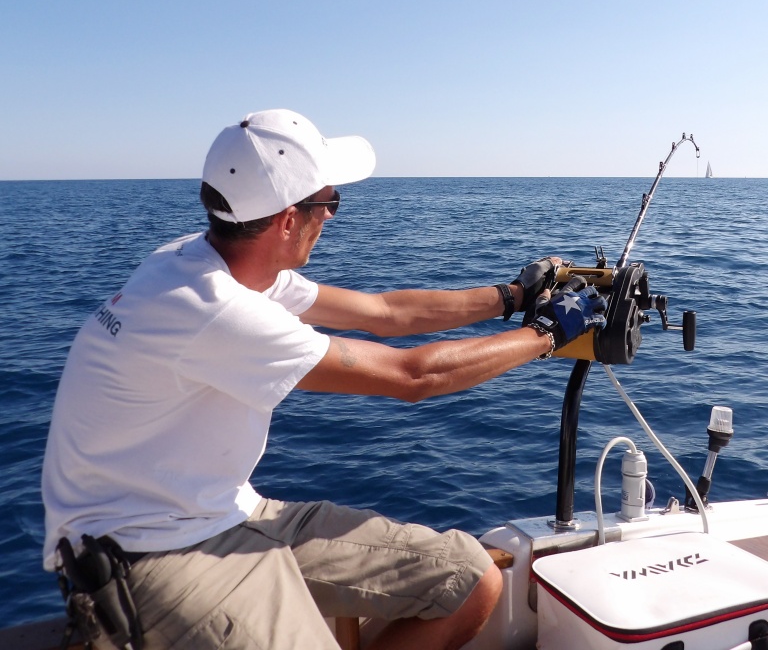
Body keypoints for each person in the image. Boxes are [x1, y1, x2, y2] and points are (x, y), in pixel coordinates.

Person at [42, 109, 607, 650]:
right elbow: (411, 376)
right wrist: (551, 333)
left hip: (225, 511)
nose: (333, 214)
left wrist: (513, 297)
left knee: (470, 581)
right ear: (289, 219)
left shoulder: (209, 260)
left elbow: (384, 312)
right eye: (329, 201)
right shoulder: (216, 309)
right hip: (148, 553)